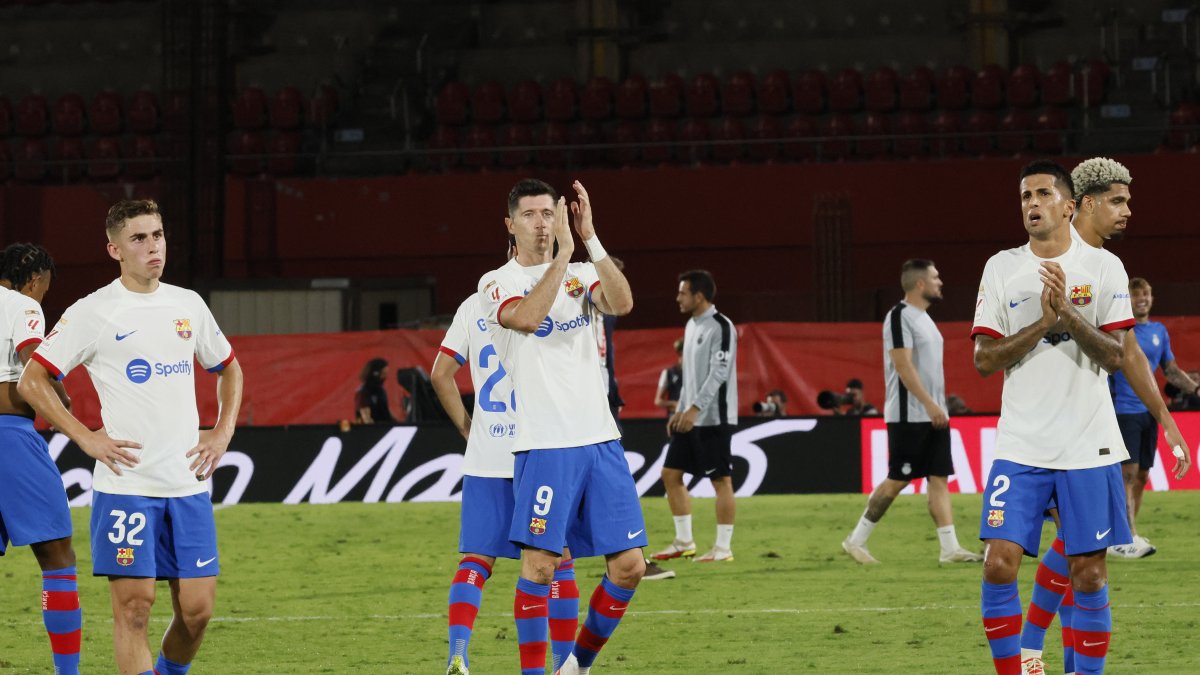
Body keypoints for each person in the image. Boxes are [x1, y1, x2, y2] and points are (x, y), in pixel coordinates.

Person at [19, 199, 243, 675]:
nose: (153, 246)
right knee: (135, 609)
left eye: (158, 235)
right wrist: (86, 439)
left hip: (187, 483)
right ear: (114, 248)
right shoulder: (94, 311)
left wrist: (222, 432)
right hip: (126, 486)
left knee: (198, 612)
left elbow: (229, 368)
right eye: (139, 238)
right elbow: (32, 380)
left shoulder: (188, 304)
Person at [1017, 158, 1195, 674]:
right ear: (1087, 204)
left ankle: (1047, 655)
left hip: (1089, 429)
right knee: (1077, 550)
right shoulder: (1044, 258)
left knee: (1082, 553)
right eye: (1118, 201)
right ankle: (1032, 647)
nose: (1128, 211)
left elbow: (1131, 353)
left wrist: (1167, 420)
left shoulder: (1105, 266)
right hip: (1043, 430)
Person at [971, 161, 1137, 675]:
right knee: (999, 565)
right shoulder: (1002, 267)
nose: (1031, 204)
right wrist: (1044, 323)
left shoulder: (1104, 268)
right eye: (1024, 196)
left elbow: (1115, 355)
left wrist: (1067, 313)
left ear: (1070, 206)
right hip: (1020, 443)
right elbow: (983, 360)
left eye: (1042, 193)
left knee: (1088, 575)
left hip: (1088, 444)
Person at [477, 179, 643, 675]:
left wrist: (590, 241)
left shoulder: (579, 271)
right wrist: (563, 260)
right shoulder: (496, 282)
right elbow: (527, 319)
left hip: (601, 440)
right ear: (510, 224)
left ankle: (575, 667)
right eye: (530, 215)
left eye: (549, 212)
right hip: (546, 445)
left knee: (630, 566)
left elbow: (623, 303)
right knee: (541, 565)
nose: (542, 223)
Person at [432, 272, 582, 674]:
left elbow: (440, 374)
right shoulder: (546, 303)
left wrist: (468, 426)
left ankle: (457, 654)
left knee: (477, 560)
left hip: (487, 452)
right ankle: (563, 664)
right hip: (540, 451)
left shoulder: (473, 304)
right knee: (558, 558)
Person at [841, 259, 981, 565]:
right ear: (920, 284)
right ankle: (855, 539)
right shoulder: (899, 316)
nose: (940, 281)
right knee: (897, 479)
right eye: (935, 276)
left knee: (939, 478)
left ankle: (949, 548)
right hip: (910, 415)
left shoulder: (925, 319)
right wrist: (930, 404)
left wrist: (937, 406)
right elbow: (902, 366)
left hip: (934, 415)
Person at [0, 243, 82, 674]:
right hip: (9, 438)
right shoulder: (23, 306)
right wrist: (66, 404)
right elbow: (36, 363)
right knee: (58, 557)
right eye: (45, 288)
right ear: (34, 279)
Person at [652, 269, 739, 564]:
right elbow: (690, 377)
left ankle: (723, 548)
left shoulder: (721, 326)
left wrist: (695, 409)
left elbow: (719, 373)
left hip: (713, 418)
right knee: (670, 475)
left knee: (721, 481)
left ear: (699, 296)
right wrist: (678, 410)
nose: (678, 298)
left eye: (682, 293)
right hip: (688, 417)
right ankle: (684, 541)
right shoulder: (691, 325)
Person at [1108, 277, 1198, 558]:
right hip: (1125, 411)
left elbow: (1169, 369)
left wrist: (1195, 389)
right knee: (1128, 474)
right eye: (1136, 295)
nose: (1142, 299)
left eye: (1146, 293)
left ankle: (1131, 532)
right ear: (1128, 300)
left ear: (1152, 297)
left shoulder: (1159, 331)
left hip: (1150, 413)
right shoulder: (1121, 330)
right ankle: (1125, 536)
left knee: (1143, 475)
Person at [354, 357, 395, 424]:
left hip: (385, 427)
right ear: (375, 374)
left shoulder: (381, 391)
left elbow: (386, 410)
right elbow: (366, 418)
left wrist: (399, 423)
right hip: (373, 430)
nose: (385, 377)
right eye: (383, 373)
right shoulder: (363, 392)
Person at [652, 337, 684, 417]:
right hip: (675, 418)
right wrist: (675, 404)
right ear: (680, 352)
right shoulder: (669, 373)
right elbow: (658, 401)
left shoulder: (696, 372)